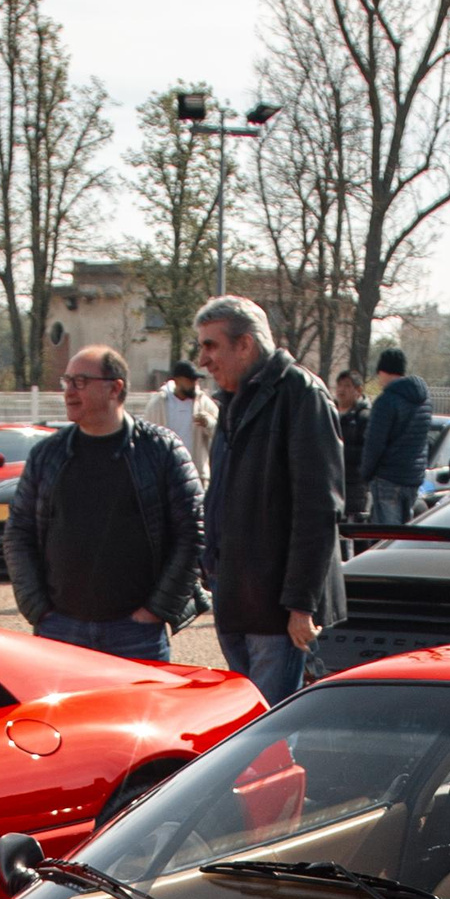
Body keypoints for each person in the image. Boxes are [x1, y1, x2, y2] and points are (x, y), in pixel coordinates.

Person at [3, 347, 203, 664]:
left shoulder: (161, 451)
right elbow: (18, 533)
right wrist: (38, 610)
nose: (68, 391)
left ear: (115, 388)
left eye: (80, 381)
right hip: (60, 632)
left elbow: (192, 535)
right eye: (66, 381)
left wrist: (155, 611)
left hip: (136, 636)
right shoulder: (47, 455)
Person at [192, 294, 344, 704]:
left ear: (245, 344)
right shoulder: (231, 401)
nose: (202, 360)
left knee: (265, 733)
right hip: (236, 595)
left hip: (276, 609)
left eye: (211, 345)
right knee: (245, 728)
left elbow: (318, 508)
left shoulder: (300, 395)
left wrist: (300, 605)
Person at [360, 345, 433, 528]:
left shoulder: (386, 401)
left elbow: (374, 443)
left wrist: (365, 473)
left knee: (386, 538)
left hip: (388, 477)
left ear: (383, 371)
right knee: (404, 538)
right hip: (413, 477)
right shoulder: (424, 400)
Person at [143, 358, 216, 487]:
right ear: (176, 380)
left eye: (195, 380)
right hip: (165, 476)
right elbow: (145, 439)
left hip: (196, 475)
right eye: (189, 380)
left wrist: (209, 423)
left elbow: (221, 431)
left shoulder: (203, 403)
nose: (194, 384)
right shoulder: (158, 404)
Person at [334, 368, 371, 521]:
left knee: (354, 530)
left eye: (347, 386)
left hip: (354, 484)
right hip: (332, 482)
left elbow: (366, 452)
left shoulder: (364, 417)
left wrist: (338, 452)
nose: (342, 390)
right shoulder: (329, 412)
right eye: (340, 385)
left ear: (358, 390)